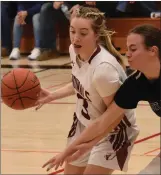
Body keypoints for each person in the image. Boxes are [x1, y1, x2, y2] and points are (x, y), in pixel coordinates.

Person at [40, 24, 160, 174]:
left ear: (153, 51)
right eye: (127, 49)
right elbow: (103, 121)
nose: (127, 54)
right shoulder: (135, 84)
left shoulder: (104, 69)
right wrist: (73, 149)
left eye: (133, 49)